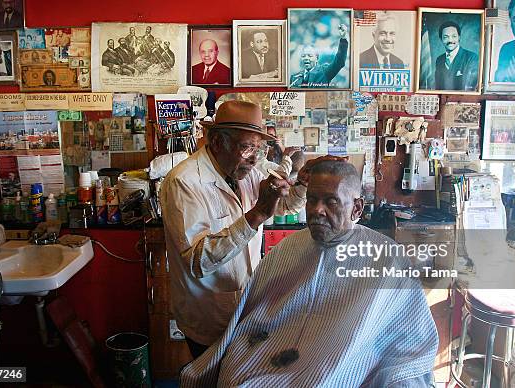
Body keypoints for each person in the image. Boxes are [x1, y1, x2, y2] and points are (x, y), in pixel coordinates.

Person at [180, 160, 438, 387]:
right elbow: (252, 316)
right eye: (312, 200)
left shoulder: (387, 258)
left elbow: (409, 341)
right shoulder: (289, 247)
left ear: (357, 209)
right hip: (269, 350)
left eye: (331, 201)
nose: (317, 210)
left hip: (336, 364)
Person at [160, 100, 339, 359]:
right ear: (219, 142)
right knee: (211, 377)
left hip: (245, 308)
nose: (255, 158)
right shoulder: (184, 182)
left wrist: (301, 181)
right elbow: (198, 260)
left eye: (258, 148)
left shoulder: (247, 171)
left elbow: (285, 204)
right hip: (208, 315)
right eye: (247, 148)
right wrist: (256, 215)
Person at [290, 23, 348, 88]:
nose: (306, 58)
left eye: (309, 55)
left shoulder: (324, 71)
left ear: (317, 57)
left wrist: (343, 38)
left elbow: (339, 62)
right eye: (303, 56)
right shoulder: (294, 77)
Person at [434, 21, 479, 91]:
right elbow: (438, 87)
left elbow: (471, 88)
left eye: (454, 36)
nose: (450, 40)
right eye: (446, 37)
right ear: (441, 39)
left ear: (459, 37)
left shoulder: (471, 58)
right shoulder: (439, 60)